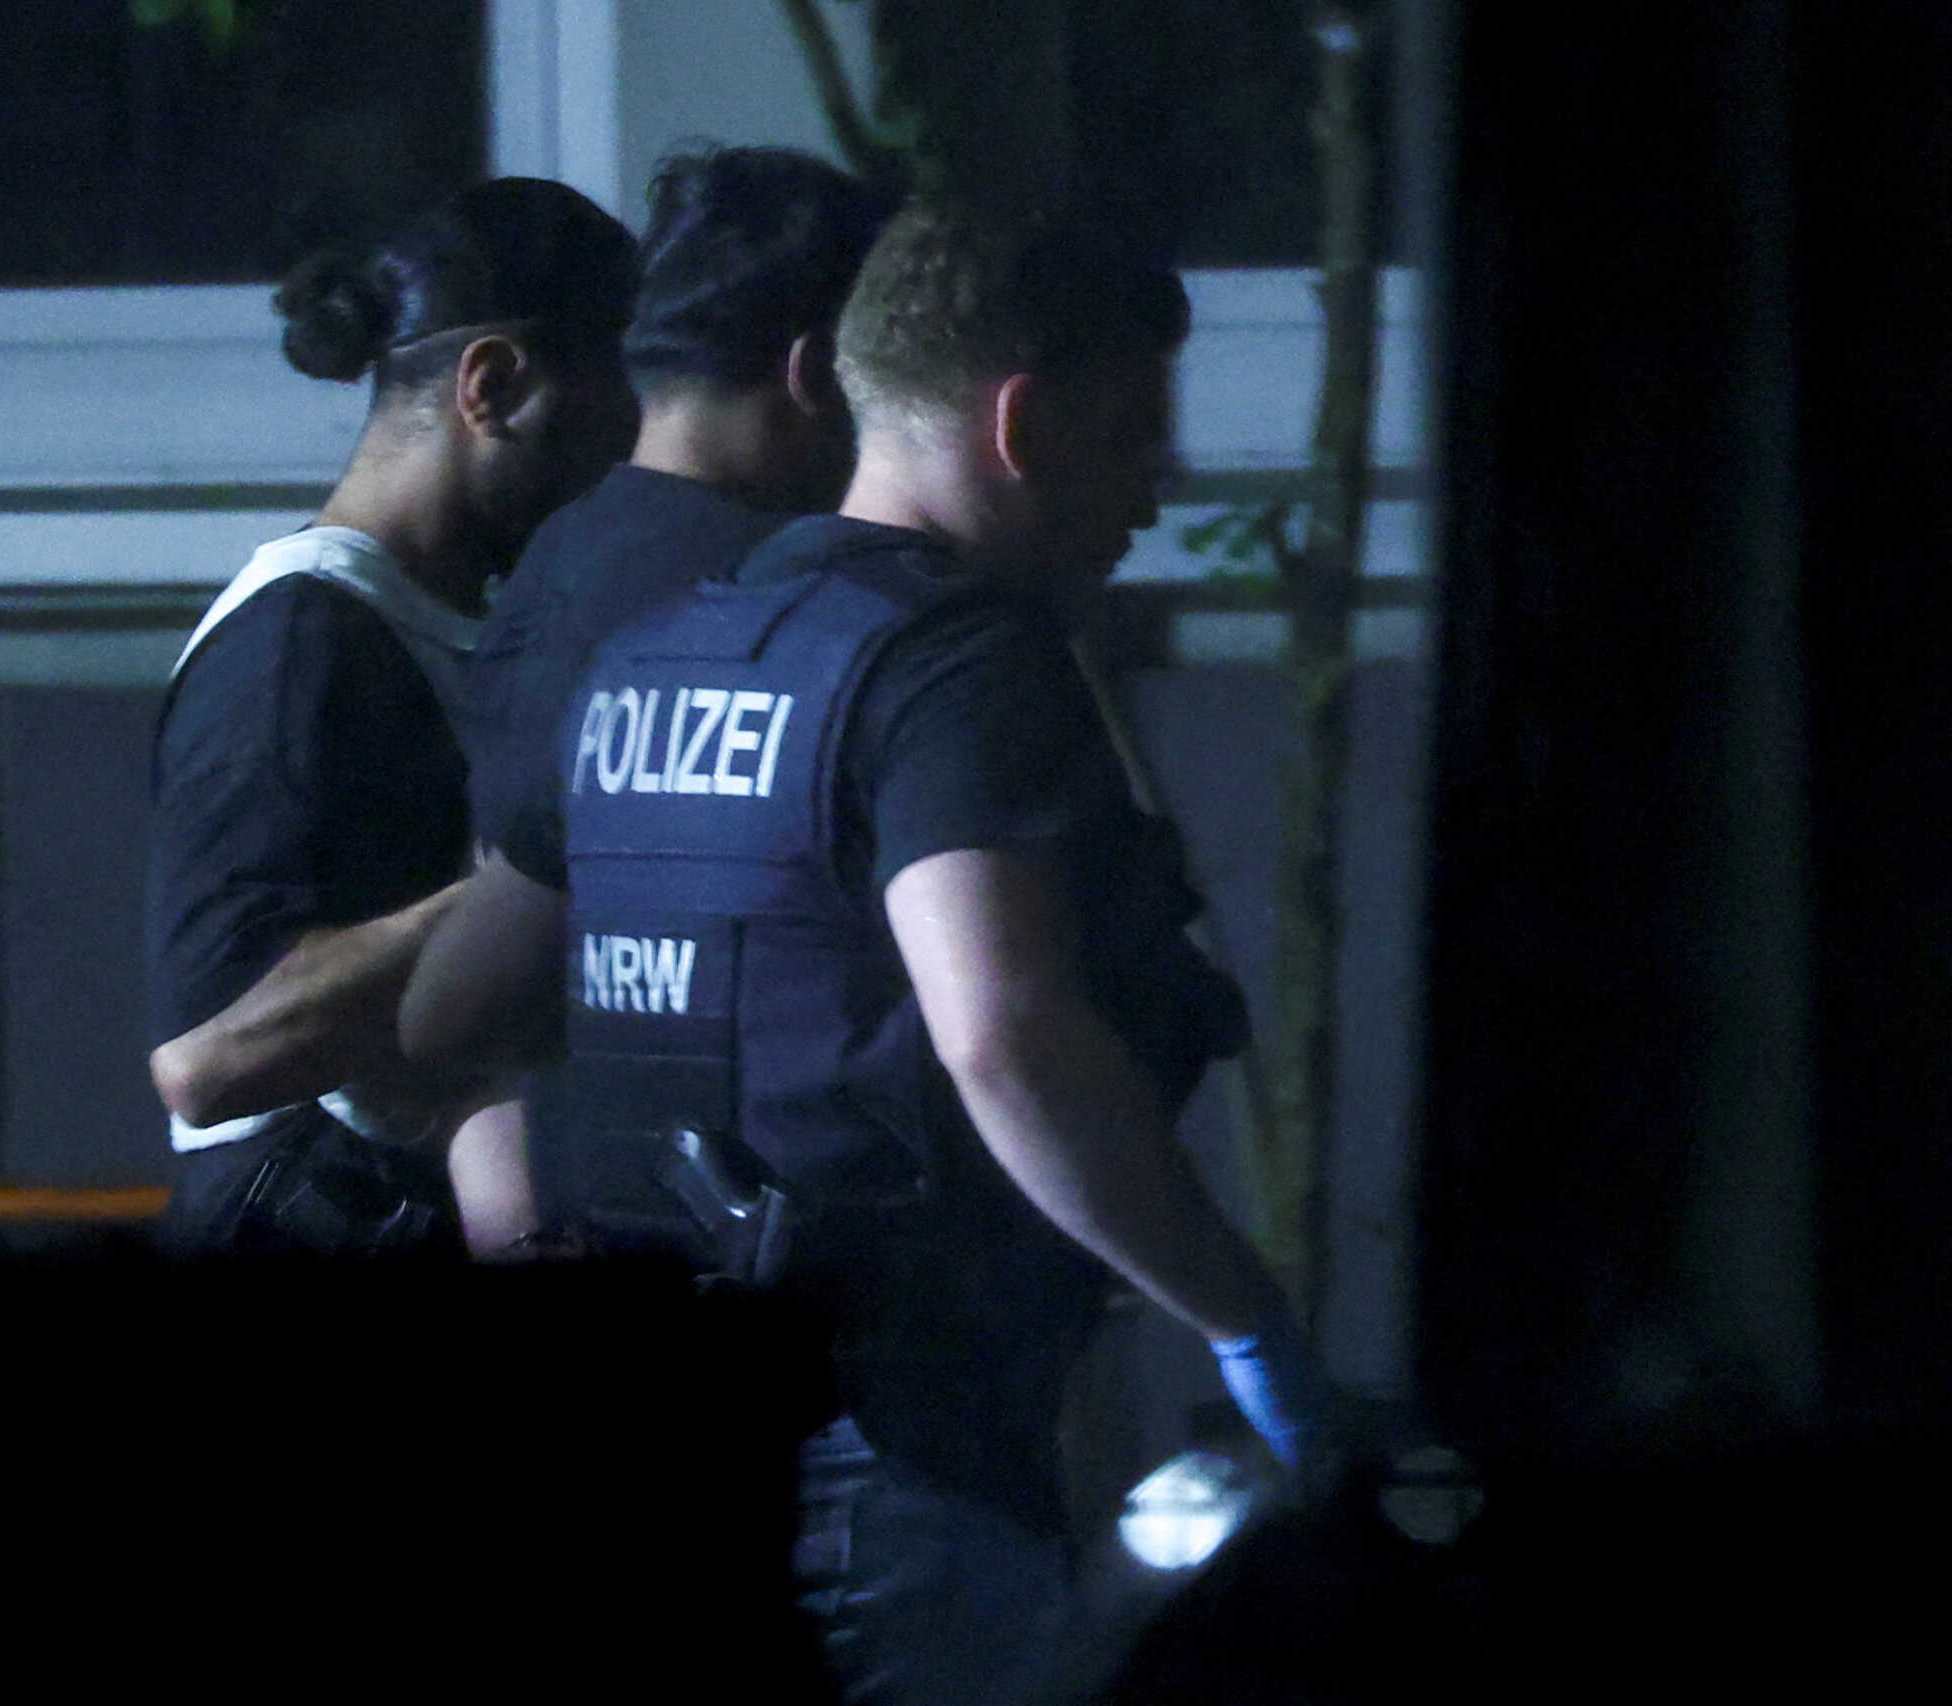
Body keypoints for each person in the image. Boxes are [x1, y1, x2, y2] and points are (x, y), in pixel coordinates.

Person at [401, 198, 1350, 1703]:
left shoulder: (664, 654)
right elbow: (1006, 1036)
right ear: (1022, 423)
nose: (1155, 496)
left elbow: (483, 1038)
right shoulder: (960, 662)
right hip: (896, 1450)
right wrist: (1244, 1321)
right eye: (1132, 437)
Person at [400, 146, 899, 1258]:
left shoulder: (556, 558)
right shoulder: (790, 598)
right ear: (817, 376)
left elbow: (467, 1000)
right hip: (770, 1231)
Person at [143, 178, 639, 1259]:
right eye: (609, 418)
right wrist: (534, 884)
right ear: (494, 385)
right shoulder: (297, 642)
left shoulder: (461, 619)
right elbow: (208, 1056)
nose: (618, 469)